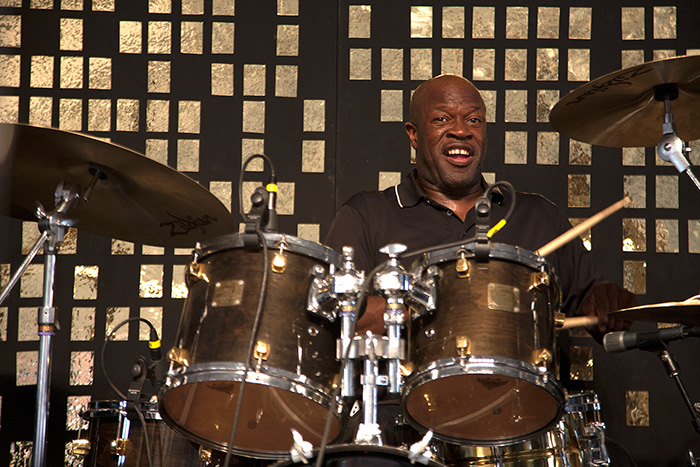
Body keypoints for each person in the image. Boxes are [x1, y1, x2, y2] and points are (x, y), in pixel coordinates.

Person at [325, 74, 635, 341]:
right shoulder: (367, 214)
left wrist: (607, 304)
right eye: (442, 119)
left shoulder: (538, 217)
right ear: (414, 134)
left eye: (474, 120)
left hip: (521, 404)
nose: (461, 130)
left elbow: (592, 303)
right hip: (402, 405)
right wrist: (436, 304)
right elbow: (339, 314)